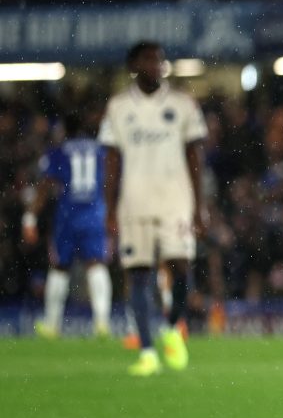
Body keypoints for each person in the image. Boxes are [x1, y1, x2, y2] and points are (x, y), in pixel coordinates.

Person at [99, 41, 208, 376]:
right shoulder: (118, 107)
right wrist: (111, 209)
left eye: (160, 60)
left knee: (181, 266)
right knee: (139, 275)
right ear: (134, 66)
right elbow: (112, 161)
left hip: (176, 200)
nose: (156, 65)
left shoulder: (182, 104)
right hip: (134, 201)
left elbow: (194, 156)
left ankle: (173, 327)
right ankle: (147, 351)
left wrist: (199, 205)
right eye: (148, 59)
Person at [22, 111, 113, 339]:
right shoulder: (101, 151)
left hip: (68, 216)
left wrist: (30, 217)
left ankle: (52, 325)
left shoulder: (60, 152)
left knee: (60, 266)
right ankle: (102, 322)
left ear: (65, 130)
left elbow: (45, 185)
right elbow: (112, 181)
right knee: (96, 264)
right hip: (95, 214)